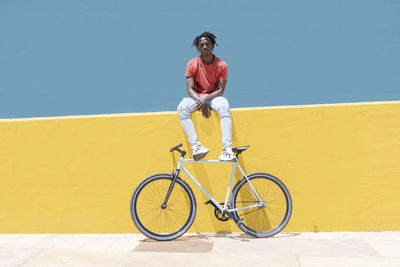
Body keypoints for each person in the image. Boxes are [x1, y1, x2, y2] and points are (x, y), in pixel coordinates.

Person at [177, 32, 236, 161]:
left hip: (213, 97)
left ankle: (227, 150)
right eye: (201, 45)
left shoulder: (222, 65)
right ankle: (196, 147)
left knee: (224, 105)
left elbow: (221, 90)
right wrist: (201, 100)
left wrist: (206, 98)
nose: (205, 47)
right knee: (182, 108)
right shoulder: (192, 64)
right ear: (198, 47)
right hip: (196, 97)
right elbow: (189, 89)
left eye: (207, 44)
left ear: (212, 45)